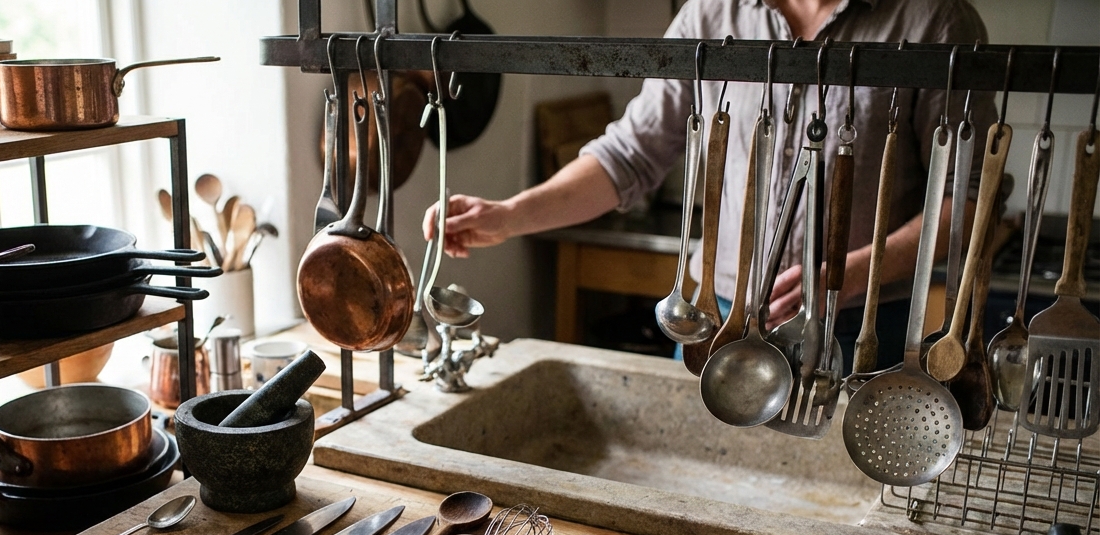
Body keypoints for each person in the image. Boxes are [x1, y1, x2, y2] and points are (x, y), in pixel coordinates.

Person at [422, 0, 996, 369]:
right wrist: (510, 215)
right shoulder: (710, 16)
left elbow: (967, 201)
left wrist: (856, 272)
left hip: (864, 328)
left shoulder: (936, 22)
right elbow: (631, 154)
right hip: (714, 320)